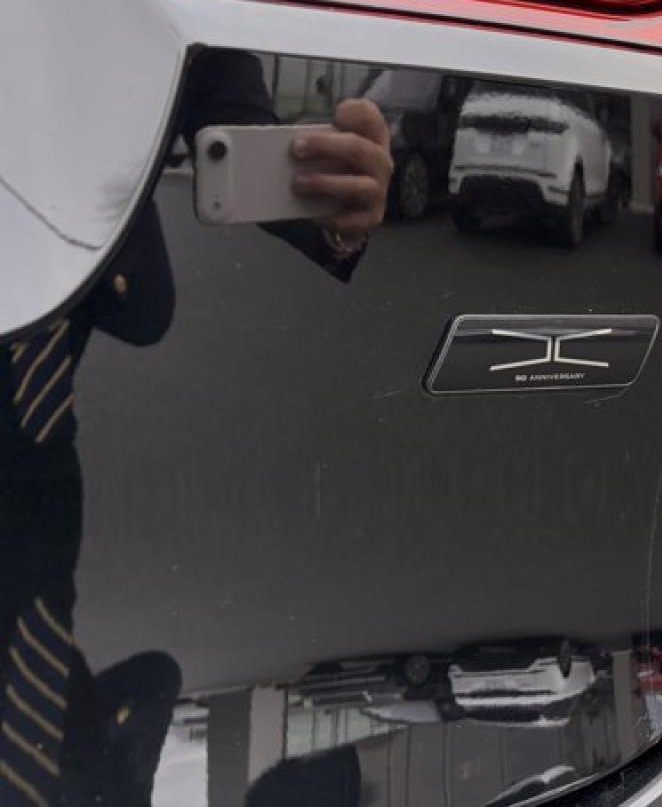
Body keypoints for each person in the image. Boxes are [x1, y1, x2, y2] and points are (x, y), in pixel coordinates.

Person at [0, 48, 393, 806]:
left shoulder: (157, 4)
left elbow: (239, 135)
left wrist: (338, 214)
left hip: (43, 469)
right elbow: (156, 678)